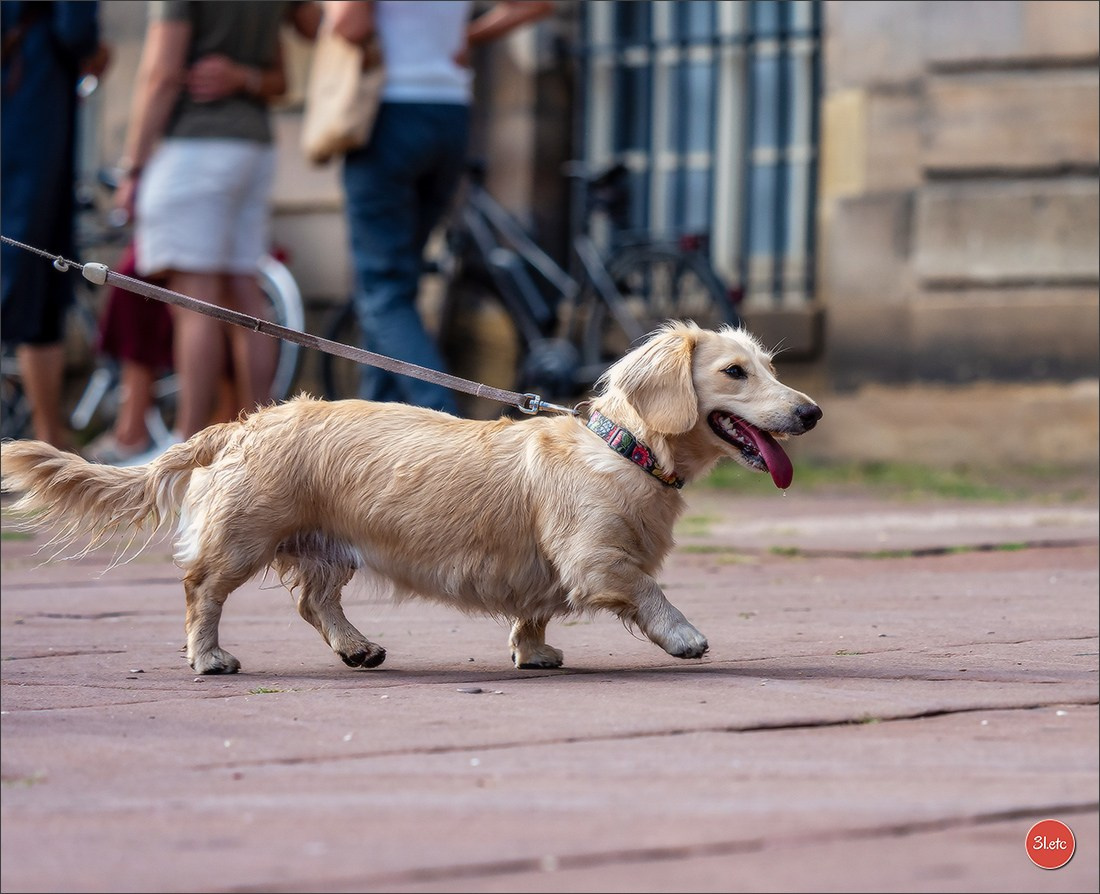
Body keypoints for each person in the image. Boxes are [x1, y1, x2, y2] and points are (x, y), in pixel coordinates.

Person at [113, 1, 319, 459]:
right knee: (244, 294)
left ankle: (187, 450)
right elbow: (283, 77)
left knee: (194, 303)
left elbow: (161, 75)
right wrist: (244, 78)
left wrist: (133, 167)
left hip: (193, 148)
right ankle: (262, 450)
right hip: (253, 150)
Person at [327, 0, 552, 412]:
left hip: (388, 109)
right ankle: (373, 428)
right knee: (396, 286)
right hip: (449, 112)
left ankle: (446, 421)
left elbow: (349, 23)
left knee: (383, 288)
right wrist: (463, 36)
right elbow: (536, 6)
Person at [1, 1, 107, 449]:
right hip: (32, 103)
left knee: (35, 283)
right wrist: (95, 51)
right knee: (31, 275)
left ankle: (47, 447)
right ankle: (48, 445)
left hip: (23, 93)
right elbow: (76, 28)